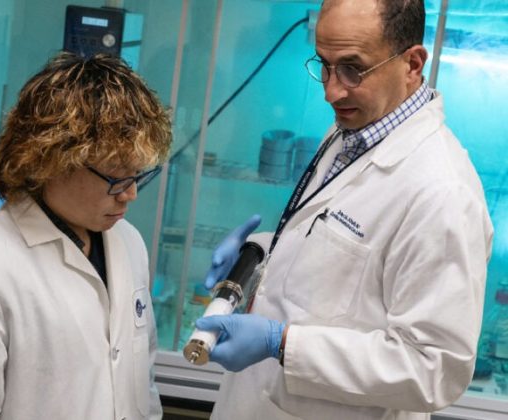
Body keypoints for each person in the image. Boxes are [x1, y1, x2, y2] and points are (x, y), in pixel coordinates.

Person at [196, 0, 494, 419]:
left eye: (353, 68)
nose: (331, 90)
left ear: (412, 64)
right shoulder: (351, 128)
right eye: (325, 65)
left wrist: (282, 343)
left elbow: (433, 369)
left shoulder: (442, 193)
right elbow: (337, 252)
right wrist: (257, 254)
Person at [0, 52, 172, 420]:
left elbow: (141, 385)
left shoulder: (128, 242)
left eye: (138, 175)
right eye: (116, 177)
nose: (130, 194)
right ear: (51, 160)